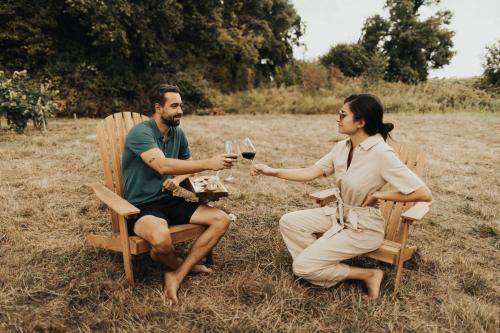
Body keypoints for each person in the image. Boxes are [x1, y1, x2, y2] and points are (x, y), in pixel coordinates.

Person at [251, 94, 432, 299]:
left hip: (363, 226)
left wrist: (380, 193)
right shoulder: (342, 147)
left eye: (343, 114)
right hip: (338, 214)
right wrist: (272, 171)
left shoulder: (381, 153)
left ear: (360, 122)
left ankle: (368, 274)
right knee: (289, 222)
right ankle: (319, 264)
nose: (338, 118)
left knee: (301, 267)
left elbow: (423, 193)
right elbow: (310, 172)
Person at [122, 83, 237, 304]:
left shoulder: (178, 134)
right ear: (158, 108)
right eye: (174, 106)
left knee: (221, 219)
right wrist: (209, 163)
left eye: (181, 105)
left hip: (170, 200)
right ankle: (180, 264)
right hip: (141, 206)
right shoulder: (141, 132)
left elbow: (182, 167)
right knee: (161, 240)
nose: (180, 110)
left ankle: (176, 274)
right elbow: (163, 166)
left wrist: (178, 181)